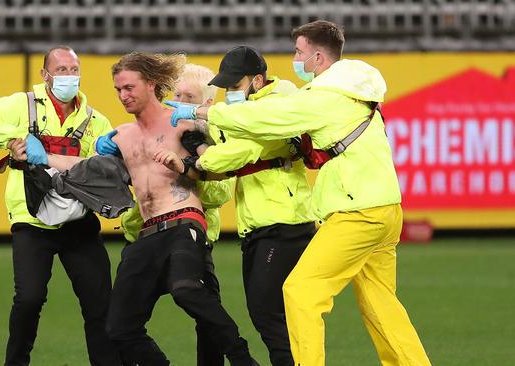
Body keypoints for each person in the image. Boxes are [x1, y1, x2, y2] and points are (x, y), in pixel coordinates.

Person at [166, 21, 432, 366]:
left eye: (298, 53)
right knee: (380, 304)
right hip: (383, 206)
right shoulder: (353, 89)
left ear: (318, 57)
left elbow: (266, 119)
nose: (294, 59)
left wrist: (201, 112)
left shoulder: (324, 97)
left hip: (356, 212)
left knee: (301, 293)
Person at [29, 52, 258, 366]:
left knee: (186, 289)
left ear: (151, 84)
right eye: (118, 90)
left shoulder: (183, 125)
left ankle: (242, 357)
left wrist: (188, 160)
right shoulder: (123, 135)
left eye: (129, 88)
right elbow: (87, 167)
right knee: (119, 328)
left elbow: (218, 168)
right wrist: (43, 157)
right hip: (146, 234)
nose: (123, 96)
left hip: (183, 223)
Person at [157, 46, 316, 366]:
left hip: (282, 222)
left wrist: (195, 161)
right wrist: (199, 145)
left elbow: (238, 153)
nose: (230, 93)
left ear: (258, 80)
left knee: (268, 316)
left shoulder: (275, 106)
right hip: (262, 224)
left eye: (234, 86)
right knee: (274, 317)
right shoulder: (250, 110)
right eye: (225, 87)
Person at [0, 46, 121, 366]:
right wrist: (14, 139)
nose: (69, 76)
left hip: (79, 221)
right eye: (62, 69)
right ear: (45, 74)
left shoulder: (96, 120)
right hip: (31, 219)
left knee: (100, 303)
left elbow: (109, 171)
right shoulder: (20, 105)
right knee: (29, 299)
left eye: (74, 69)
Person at [118, 62, 235, 366]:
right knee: (120, 323)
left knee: (204, 312)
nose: (179, 102)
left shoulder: (214, 139)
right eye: (177, 94)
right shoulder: (153, 128)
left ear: (207, 104)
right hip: (145, 236)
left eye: (189, 97)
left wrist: (187, 169)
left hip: (190, 232)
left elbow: (220, 191)